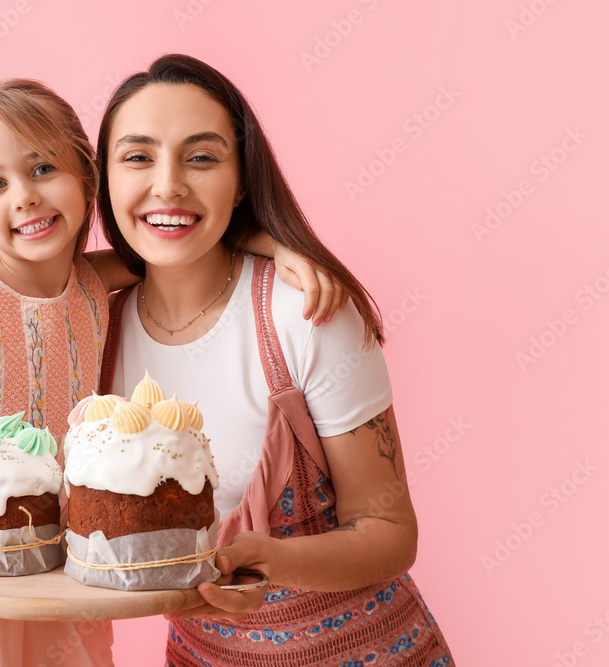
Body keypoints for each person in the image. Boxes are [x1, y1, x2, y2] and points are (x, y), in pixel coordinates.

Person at [0, 78, 342, 667]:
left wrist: (281, 247)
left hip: (53, 557)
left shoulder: (93, 282)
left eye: (42, 169)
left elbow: (191, 232)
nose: (25, 197)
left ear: (90, 181)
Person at [96, 54, 455, 666]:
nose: (168, 184)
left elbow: (391, 533)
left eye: (202, 157)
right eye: (137, 156)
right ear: (103, 180)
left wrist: (270, 561)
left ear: (241, 181)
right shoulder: (91, 328)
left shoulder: (306, 313)